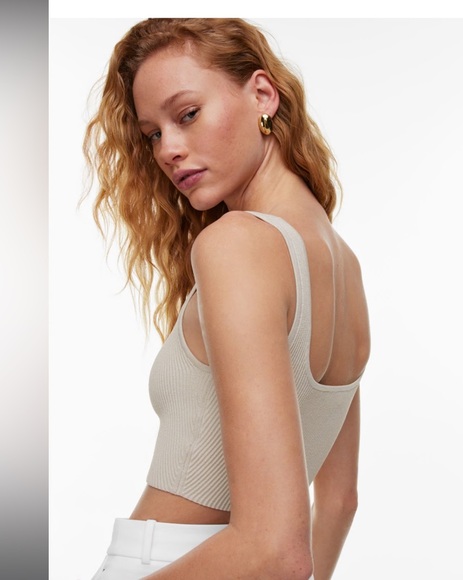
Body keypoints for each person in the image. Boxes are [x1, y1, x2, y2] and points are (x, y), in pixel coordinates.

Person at [84, 18, 370, 580]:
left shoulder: (237, 244)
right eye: (152, 134)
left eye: (187, 114)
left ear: (262, 94)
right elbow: (339, 502)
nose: (169, 149)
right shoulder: (345, 264)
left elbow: (275, 548)